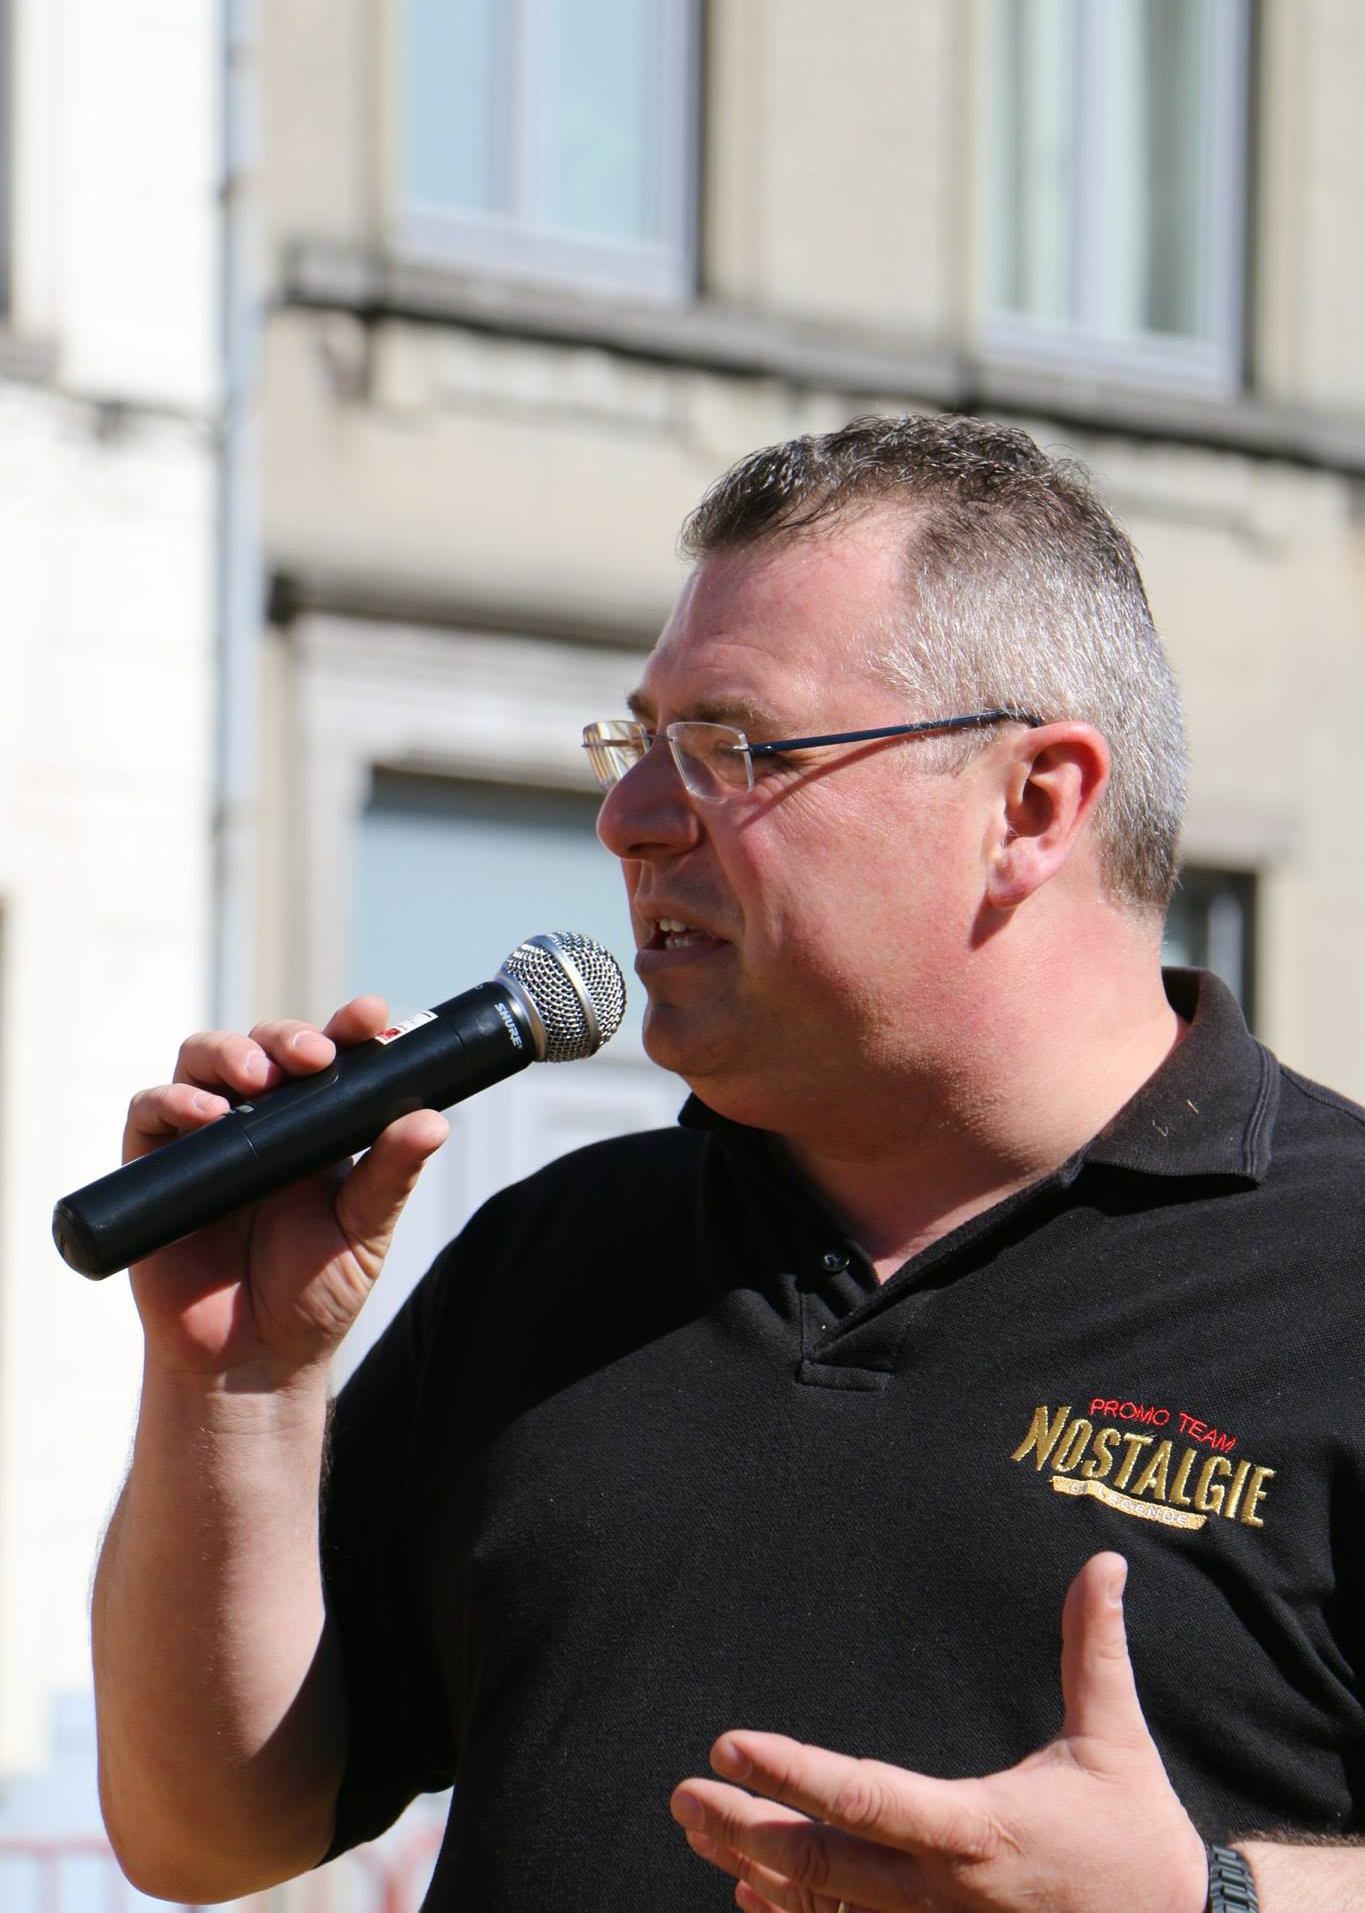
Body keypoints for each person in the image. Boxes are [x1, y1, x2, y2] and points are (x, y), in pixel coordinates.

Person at [92, 416, 1365, 1913]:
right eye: (638, 743)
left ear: (1029, 806)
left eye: (728, 750)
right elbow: (206, 1837)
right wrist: (234, 1390)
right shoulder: (561, 1252)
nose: (627, 819)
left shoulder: (1332, 1275)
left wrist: (1212, 1899)